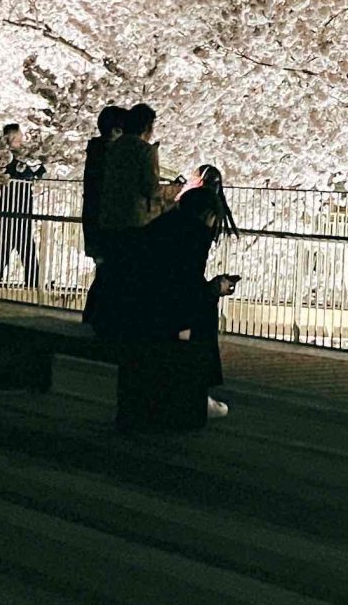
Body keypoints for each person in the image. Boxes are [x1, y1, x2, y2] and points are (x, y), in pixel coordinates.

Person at [134, 163, 241, 417]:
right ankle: (197, 392)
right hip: (152, 309)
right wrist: (216, 288)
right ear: (205, 215)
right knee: (204, 312)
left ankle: (191, 390)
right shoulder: (192, 236)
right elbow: (187, 286)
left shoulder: (164, 226)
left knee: (196, 308)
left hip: (129, 301)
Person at [95, 103, 163, 245]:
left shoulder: (113, 148)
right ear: (147, 127)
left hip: (110, 219)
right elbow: (150, 188)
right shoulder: (146, 151)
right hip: (135, 220)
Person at [0, 123, 44, 294]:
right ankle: (30, 280)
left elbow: (40, 170)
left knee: (17, 243)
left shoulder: (24, 156)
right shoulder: (6, 157)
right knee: (16, 243)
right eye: (19, 136)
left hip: (21, 206)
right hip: (13, 205)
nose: (22, 138)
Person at [78, 104, 126, 261]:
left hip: (96, 221)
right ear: (115, 131)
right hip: (107, 224)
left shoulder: (96, 151)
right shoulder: (109, 156)